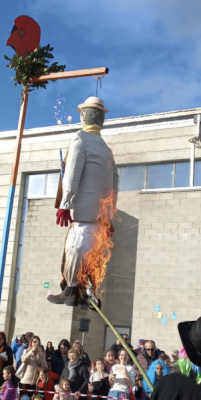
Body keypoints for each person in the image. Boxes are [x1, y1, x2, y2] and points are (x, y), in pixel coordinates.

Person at [47, 96, 119, 306]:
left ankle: (71, 291)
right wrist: (109, 218)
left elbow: (71, 175)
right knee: (87, 260)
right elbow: (115, 184)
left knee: (74, 251)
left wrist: (65, 204)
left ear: (83, 116)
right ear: (101, 120)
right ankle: (84, 293)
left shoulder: (79, 139)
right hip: (98, 222)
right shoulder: (106, 149)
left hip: (84, 220)